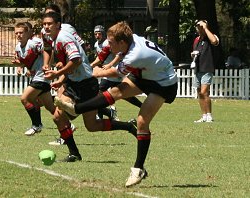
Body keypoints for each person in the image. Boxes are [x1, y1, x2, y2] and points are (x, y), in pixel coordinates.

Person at [54, 21, 178, 187]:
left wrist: (98, 72)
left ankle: (138, 168)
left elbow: (117, 72)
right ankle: (76, 108)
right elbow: (119, 60)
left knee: (142, 121)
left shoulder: (137, 54)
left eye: (111, 42)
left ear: (121, 42)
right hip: (145, 73)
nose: (108, 45)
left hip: (164, 83)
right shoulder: (130, 40)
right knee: (115, 92)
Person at [42, 13, 137, 162]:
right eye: (44, 24)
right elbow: (53, 52)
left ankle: (128, 127)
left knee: (92, 125)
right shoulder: (52, 37)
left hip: (87, 84)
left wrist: (58, 72)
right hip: (73, 84)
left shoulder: (63, 38)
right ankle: (74, 153)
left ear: (58, 24)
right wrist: (61, 79)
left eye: (49, 24)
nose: (46, 27)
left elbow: (76, 60)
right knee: (58, 117)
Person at [41, 3, 80, 145]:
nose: (46, 25)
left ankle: (68, 127)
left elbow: (78, 50)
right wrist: (47, 63)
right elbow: (47, 48)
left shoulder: (67, 30)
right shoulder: (45, 32)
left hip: (76, 72)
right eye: (45, 19)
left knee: (90, 122)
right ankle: (66, 134)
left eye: (50, 19)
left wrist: (63, 67)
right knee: (59, 108)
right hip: (66, 71)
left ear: (58, 20)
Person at [12, 22, 56, 135]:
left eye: (21, 32)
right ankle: (68, 126)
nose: (18, 35)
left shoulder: (34, 43)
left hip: (42, 76)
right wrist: (19, 65)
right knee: (51, 108)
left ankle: (37, 125)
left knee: (25, 98)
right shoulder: (18, 47)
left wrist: (48, 65)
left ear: (28, 33)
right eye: (16, 33)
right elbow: (28, 60)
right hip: (36, 76)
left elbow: (49, 50)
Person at [192, 20, 219, 123]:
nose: (199, 28)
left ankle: (209, 115)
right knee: (199, 93)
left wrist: (206, 28)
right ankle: (203, 115)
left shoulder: (211, 36)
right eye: (198, 26)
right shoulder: (196, 40)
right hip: (198, 68)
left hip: (207, 68)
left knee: (204, 92)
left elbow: (214, 41)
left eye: (201, 26)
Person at [91, 25, 119, 120]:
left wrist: (110, 65)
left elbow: (117, 56)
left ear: (103, 34)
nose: (97, 35)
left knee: (98, 94)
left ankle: (108, 113)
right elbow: (98, 58)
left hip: (114, 72)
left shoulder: (107, 43)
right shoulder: (96, 44)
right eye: (95, 34)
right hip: (105, 72)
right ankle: (103, 114)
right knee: (98, 94)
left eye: (99, 33)